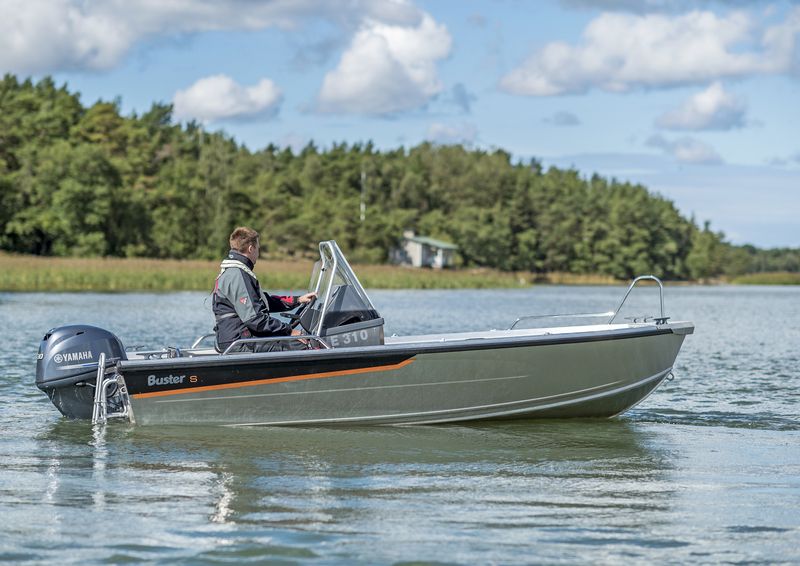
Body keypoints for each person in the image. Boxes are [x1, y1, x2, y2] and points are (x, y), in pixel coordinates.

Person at [212, 226, 316, 353]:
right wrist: (289, 331)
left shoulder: (234, 271)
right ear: (251, 249)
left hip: (237, 338)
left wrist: (298, 300)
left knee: (294, 339)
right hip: (241, 342)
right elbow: (255, 320)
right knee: (304, 344)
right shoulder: (237, 275)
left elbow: (265, 302)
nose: (258, 253)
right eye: (258, 249)